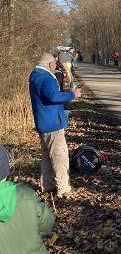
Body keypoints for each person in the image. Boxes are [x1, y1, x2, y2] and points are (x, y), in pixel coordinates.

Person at [29, 53, 81, 197]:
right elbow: (53, 97)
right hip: (52, 123)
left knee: (46, 156)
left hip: (43, 122)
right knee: (60, 156)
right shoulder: (45, 78)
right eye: (54, 64)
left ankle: (47, 185)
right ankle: (63, 189)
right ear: (49, 64)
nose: (55, 67)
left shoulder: (35, 75)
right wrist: (72, 94)